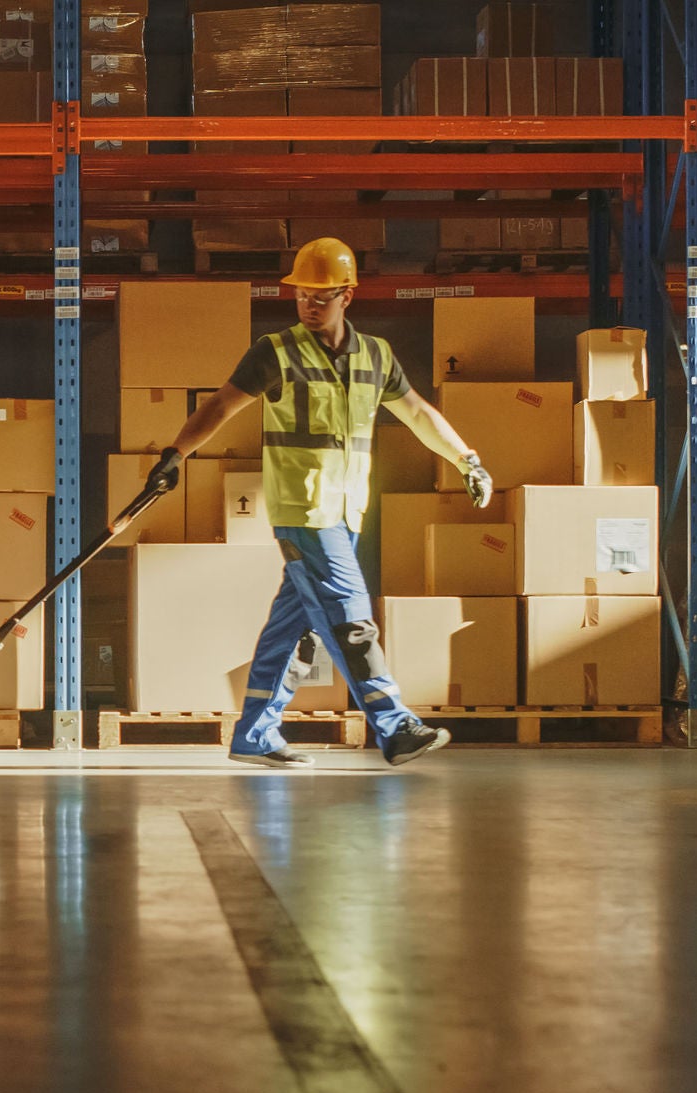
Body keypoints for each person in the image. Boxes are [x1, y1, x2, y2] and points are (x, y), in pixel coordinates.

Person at [145, 237, 495, 770]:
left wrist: (467, 458)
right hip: (302, 512)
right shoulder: (276, 351)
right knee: (351, 618)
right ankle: (395, 724)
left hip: (347, 510)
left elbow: (419, 414)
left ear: (347, 296)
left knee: (296, 625)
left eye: (321, 296)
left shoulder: (377, 356)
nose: (309, 305)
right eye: (302, 295)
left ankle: (256, 735)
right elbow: (221, 404)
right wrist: (175, 453)